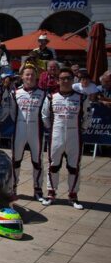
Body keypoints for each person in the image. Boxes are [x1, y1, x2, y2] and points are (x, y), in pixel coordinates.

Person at [41, 67, 92, 209]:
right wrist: (51, 129)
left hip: (74, 135)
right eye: (62, 78)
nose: (65, 81)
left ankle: (73, 195)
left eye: (68, 78)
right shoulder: (51, 97)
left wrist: (82, 128)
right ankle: (51, 193)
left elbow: (88, 115)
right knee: (53, 165)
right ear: (58, 80)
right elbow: (45, 115)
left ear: (73, 80)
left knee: (74, 167)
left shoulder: (81, 97)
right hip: (56, 135)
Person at [11, 65, 48, 202]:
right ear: (22, 77)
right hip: (19, 129)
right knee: (15, 160)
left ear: (36, 76)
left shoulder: (43, 93)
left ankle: (38, 190)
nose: (30, 77)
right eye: (27, 75)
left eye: (32, 75)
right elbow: (12, 112)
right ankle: (13, 188)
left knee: (37, 161)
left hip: (36, 130)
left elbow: (46, 113)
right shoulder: (15, 92)